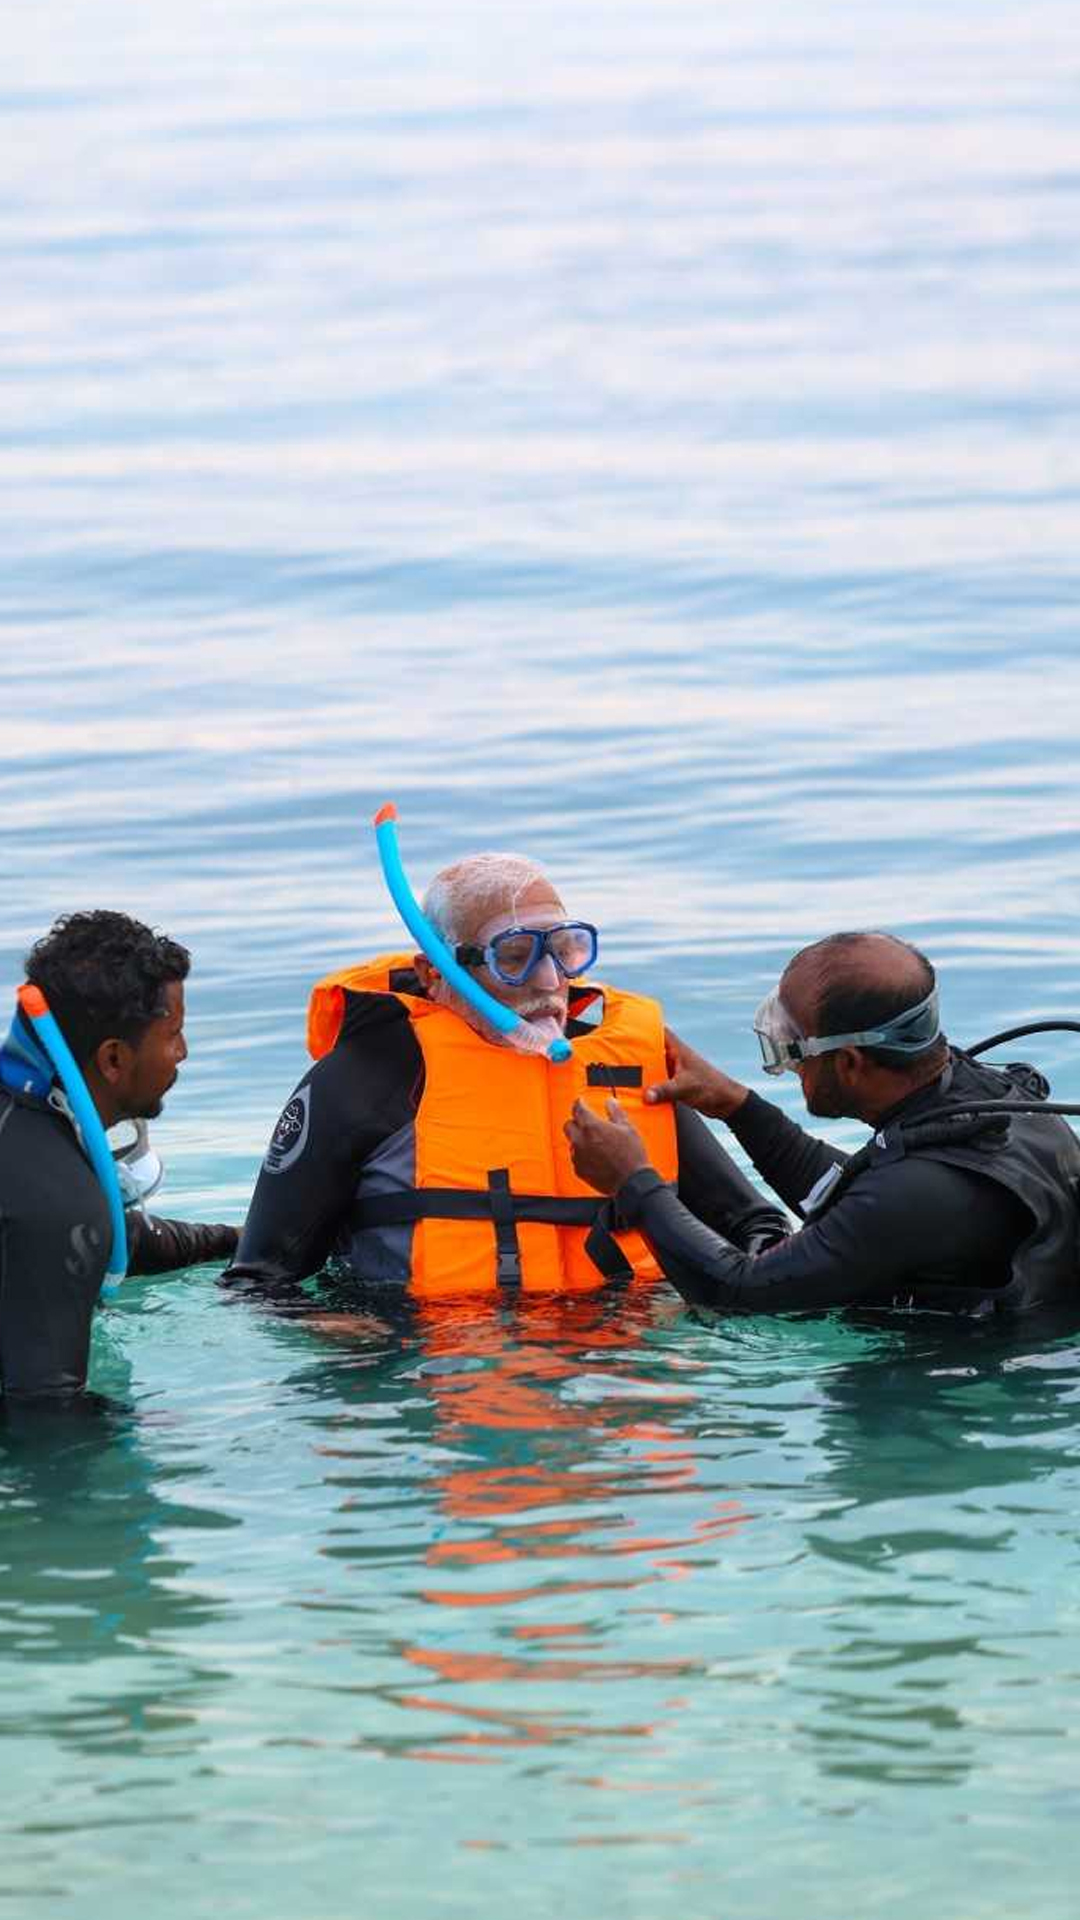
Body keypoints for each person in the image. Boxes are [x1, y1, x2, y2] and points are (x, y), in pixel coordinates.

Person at [227, 853, 786, 1299]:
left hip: (618, 1369)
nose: (549, 980)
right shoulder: (367, 1077)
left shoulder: (624, 1069)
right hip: (428, 1376)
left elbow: (758, 1225)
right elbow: (256, 1281)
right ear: (434, 971)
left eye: (566, 949)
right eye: (513, 956)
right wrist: (341, 1337)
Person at [565, 931, 1080, 1316]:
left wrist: (633, 1184)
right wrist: (738, 1107)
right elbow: (855, 1201)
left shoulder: (916, 1193)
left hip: (963, 1397)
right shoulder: (995, 1101)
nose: (790, 1066)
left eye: (794, 1049)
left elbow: (739, 1293)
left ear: (851, 1062)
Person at [0, 911, 239, 1402]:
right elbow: (46, 1412)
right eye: (172, 1033)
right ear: (113, 1059)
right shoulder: (57, 1200)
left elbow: (103, 1235)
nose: (183, 1052)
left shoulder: (26, 1126)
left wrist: (234, 1240)